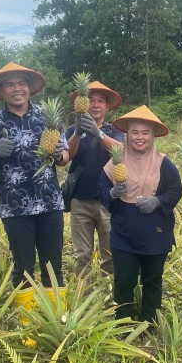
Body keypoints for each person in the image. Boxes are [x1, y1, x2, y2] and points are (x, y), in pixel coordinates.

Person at [0, 62, 70, 316]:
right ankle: (27, 321)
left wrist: (61, 154)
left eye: (21, 83)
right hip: (13, 203)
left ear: (29, 88)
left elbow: (64, 157)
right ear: (1, 90)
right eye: (10, 84)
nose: (17, 88)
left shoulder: (48, 118)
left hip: (49, 200)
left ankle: (57, 317)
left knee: (54, 262)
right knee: (23, 264)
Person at [99, 105, 182, 324]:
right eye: (134, 132)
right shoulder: (114, 163)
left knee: (152, 280)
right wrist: (112, 192)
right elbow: (100, 190)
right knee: (124, 280)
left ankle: (149, 322)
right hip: (124, 231)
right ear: (127, 135)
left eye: (145, 133)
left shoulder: (163, 162)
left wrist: (157, 201)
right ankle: (124, 323)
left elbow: (176, 190)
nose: (139, 137)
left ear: (153, 136)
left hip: (156, 231)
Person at [64, 80, 124, 279]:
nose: (95, 105)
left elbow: (123, 152)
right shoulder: (71, 131)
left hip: (109, 201)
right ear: (82, 104)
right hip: (80, 200)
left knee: (111, 254)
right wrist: (77, 134)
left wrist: (98, 134)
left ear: (107, 107)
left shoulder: (115, 130)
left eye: (100, 101)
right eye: (90, 100)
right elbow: (65, 158)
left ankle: (111, 298)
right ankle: (86, 297)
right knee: (82, 255)